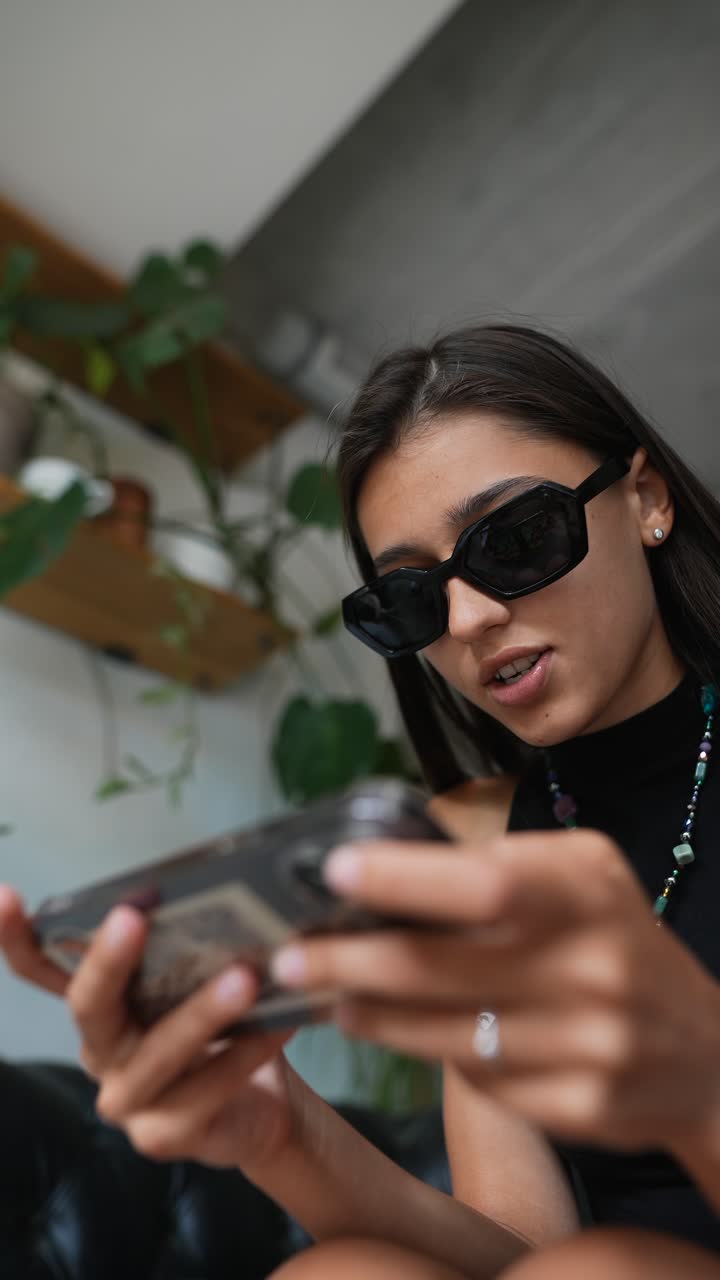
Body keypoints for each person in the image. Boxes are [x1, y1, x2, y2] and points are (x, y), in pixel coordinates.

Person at [3, 324, 720, 1280]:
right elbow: (520, 1252)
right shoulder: (477, 847)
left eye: (516, 539)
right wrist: (282, 1133)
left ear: (646, 500)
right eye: (414, 598)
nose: (469, 619)